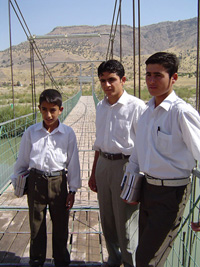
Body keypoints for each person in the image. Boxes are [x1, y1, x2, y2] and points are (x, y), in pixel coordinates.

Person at [123, 52, 200, 266]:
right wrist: (130, 187)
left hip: (170, 195)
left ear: (173, 78)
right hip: (147, 190)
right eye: (148, 75)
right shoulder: (146, 112)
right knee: (144, 255)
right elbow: (138, 153)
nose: (151, 81)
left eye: (158, 75)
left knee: (148, 259)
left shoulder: (181, 113)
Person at [11, 89, 81, 267]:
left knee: (61, 226)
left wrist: (72, 190)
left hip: (59, 182)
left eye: (53, 110)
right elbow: (23, 160)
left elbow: (73, 163)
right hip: (36, 181)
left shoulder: (68, 133)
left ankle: (61, 261)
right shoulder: (31, 132)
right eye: (44, 109)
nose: (48, 114)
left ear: (61, 109)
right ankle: (36, 261)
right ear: (39, 109)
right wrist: (17, 181)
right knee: (36, 226)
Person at [88, 59, 146, 267]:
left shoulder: (137, 107)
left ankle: (130, 262)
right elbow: (98, 142)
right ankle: (114, 259)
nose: (106, 85)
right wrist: (94, 172)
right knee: (107, 217)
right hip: (103, 163)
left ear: (123, 80)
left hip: (127, 166)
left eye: (111, 80)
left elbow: (143, 144)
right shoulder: (100, 106)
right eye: (102, 81)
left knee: (126, 221)